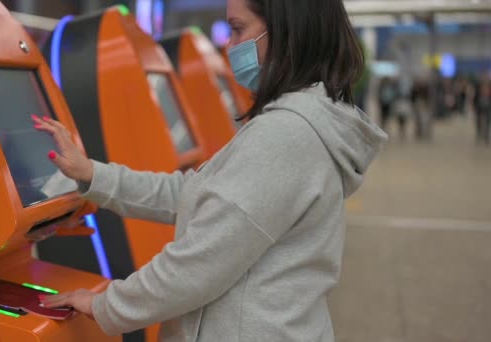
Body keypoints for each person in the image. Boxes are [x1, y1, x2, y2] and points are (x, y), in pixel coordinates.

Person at [34, 0, 387, 340]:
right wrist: (91, 174)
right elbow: (194, 194)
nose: (228, 44)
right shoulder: (299, 122)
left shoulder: (285, 135)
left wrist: (105, 304)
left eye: (237, 29)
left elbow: (196, 267)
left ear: (287, 31)